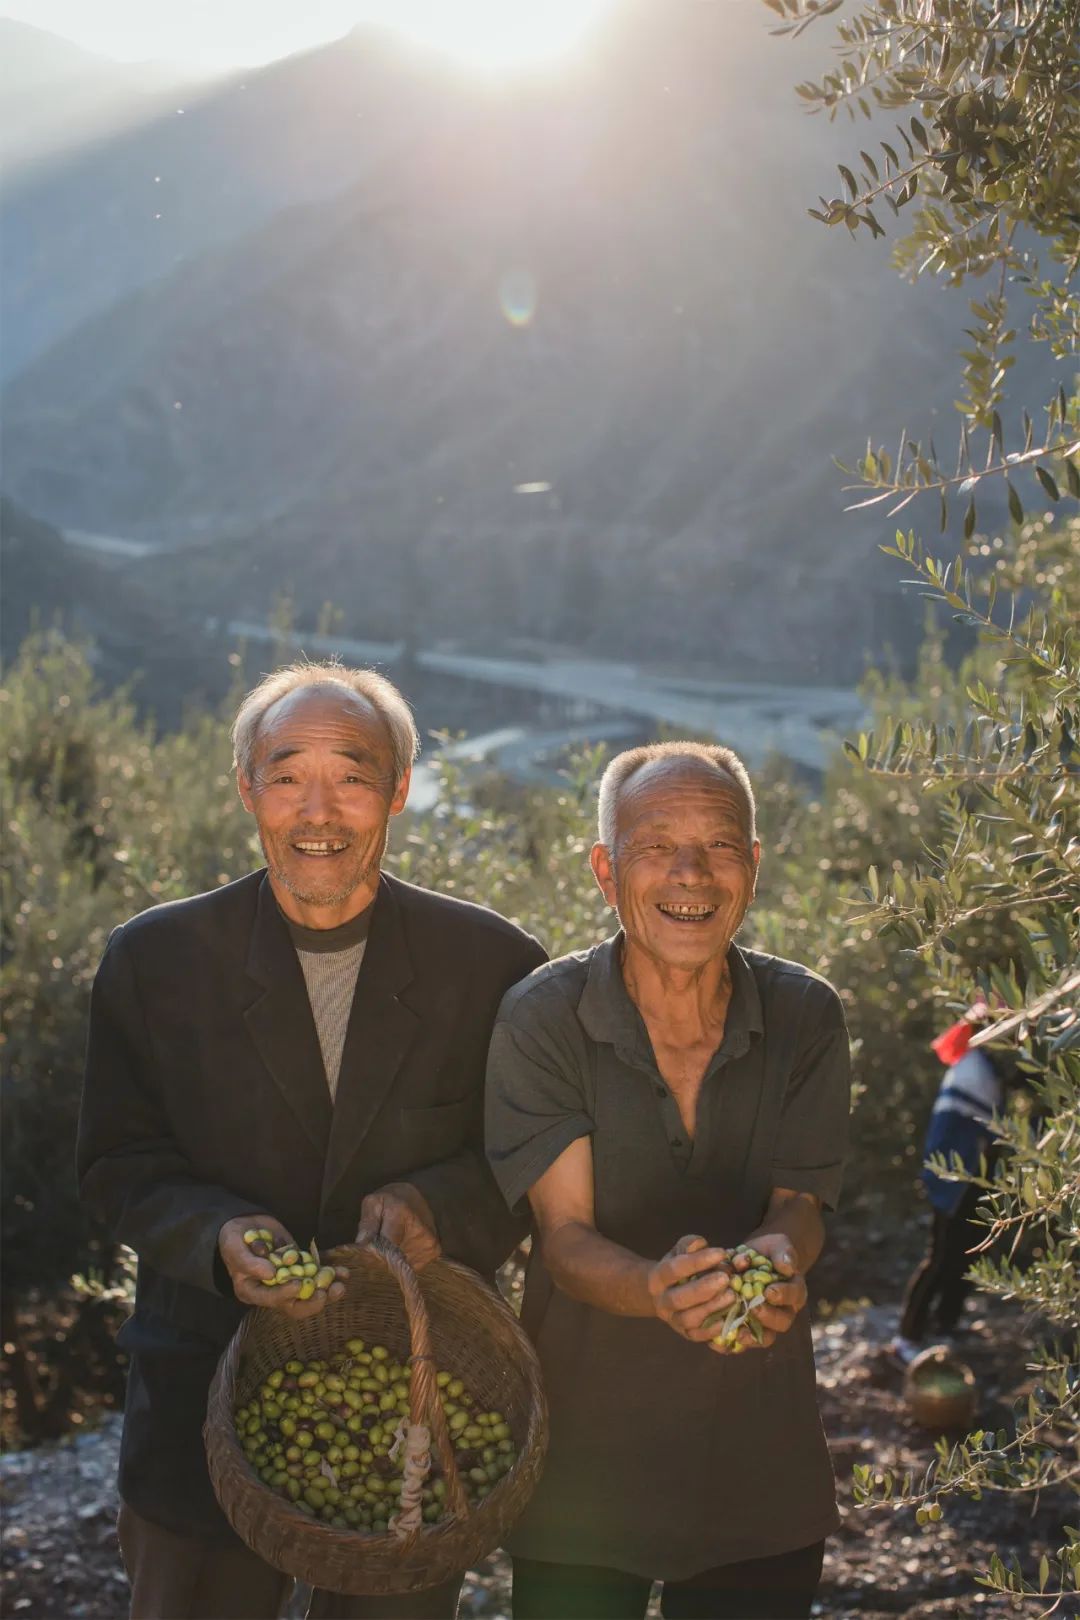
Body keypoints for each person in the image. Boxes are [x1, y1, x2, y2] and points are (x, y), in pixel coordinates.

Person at [77, 661, 546, 1620]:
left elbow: (523, 1164)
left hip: (414, 1409)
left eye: (353, 776)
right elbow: (116, 1165)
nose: (317, 810)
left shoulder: (494, 964)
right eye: (288, 774)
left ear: (399, 790)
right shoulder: (156, 961)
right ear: (246, 787)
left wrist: (435, 1209)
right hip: (197, 1391)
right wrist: (216, 1234)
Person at [485, 742, 851, 1620]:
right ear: (606, 871)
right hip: (582, 1472)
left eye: (720, 845)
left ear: (753, 866)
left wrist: (775, 1260)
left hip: (758, 1469)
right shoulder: (542, 1017)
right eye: (655, 846)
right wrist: (658, 1288)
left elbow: (799, 1207)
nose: (692, 873)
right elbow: (564, 1236)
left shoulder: (806, 1014)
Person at [891, 1003, 1004, 1364]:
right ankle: (907, 1337)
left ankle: (945, 1324)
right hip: (956, 1178)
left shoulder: (979, 1066)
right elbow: (975, 1132)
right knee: (941, 1257)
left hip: (965, 1177)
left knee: (963, 1253)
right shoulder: (974, 1071)